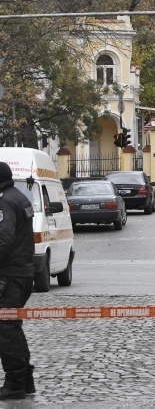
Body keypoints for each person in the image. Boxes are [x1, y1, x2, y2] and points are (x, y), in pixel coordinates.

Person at [0, 162, 36, 399]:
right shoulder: (19, 196)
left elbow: (4, 238)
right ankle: (25, 382)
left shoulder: (4, 199)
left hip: (9, 275)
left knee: (6, 329)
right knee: (11, 327)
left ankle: (15, 384)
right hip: (22, 272)